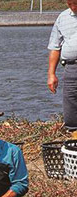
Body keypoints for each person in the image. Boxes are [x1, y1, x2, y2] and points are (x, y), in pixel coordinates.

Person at [48, 0, 77, 133]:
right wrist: (51, 74)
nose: (73, 7)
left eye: (76, 3)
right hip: (70, 68)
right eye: (70, 4)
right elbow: (55, 47)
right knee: (70, 105)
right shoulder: (63, 18)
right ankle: (74, 135)